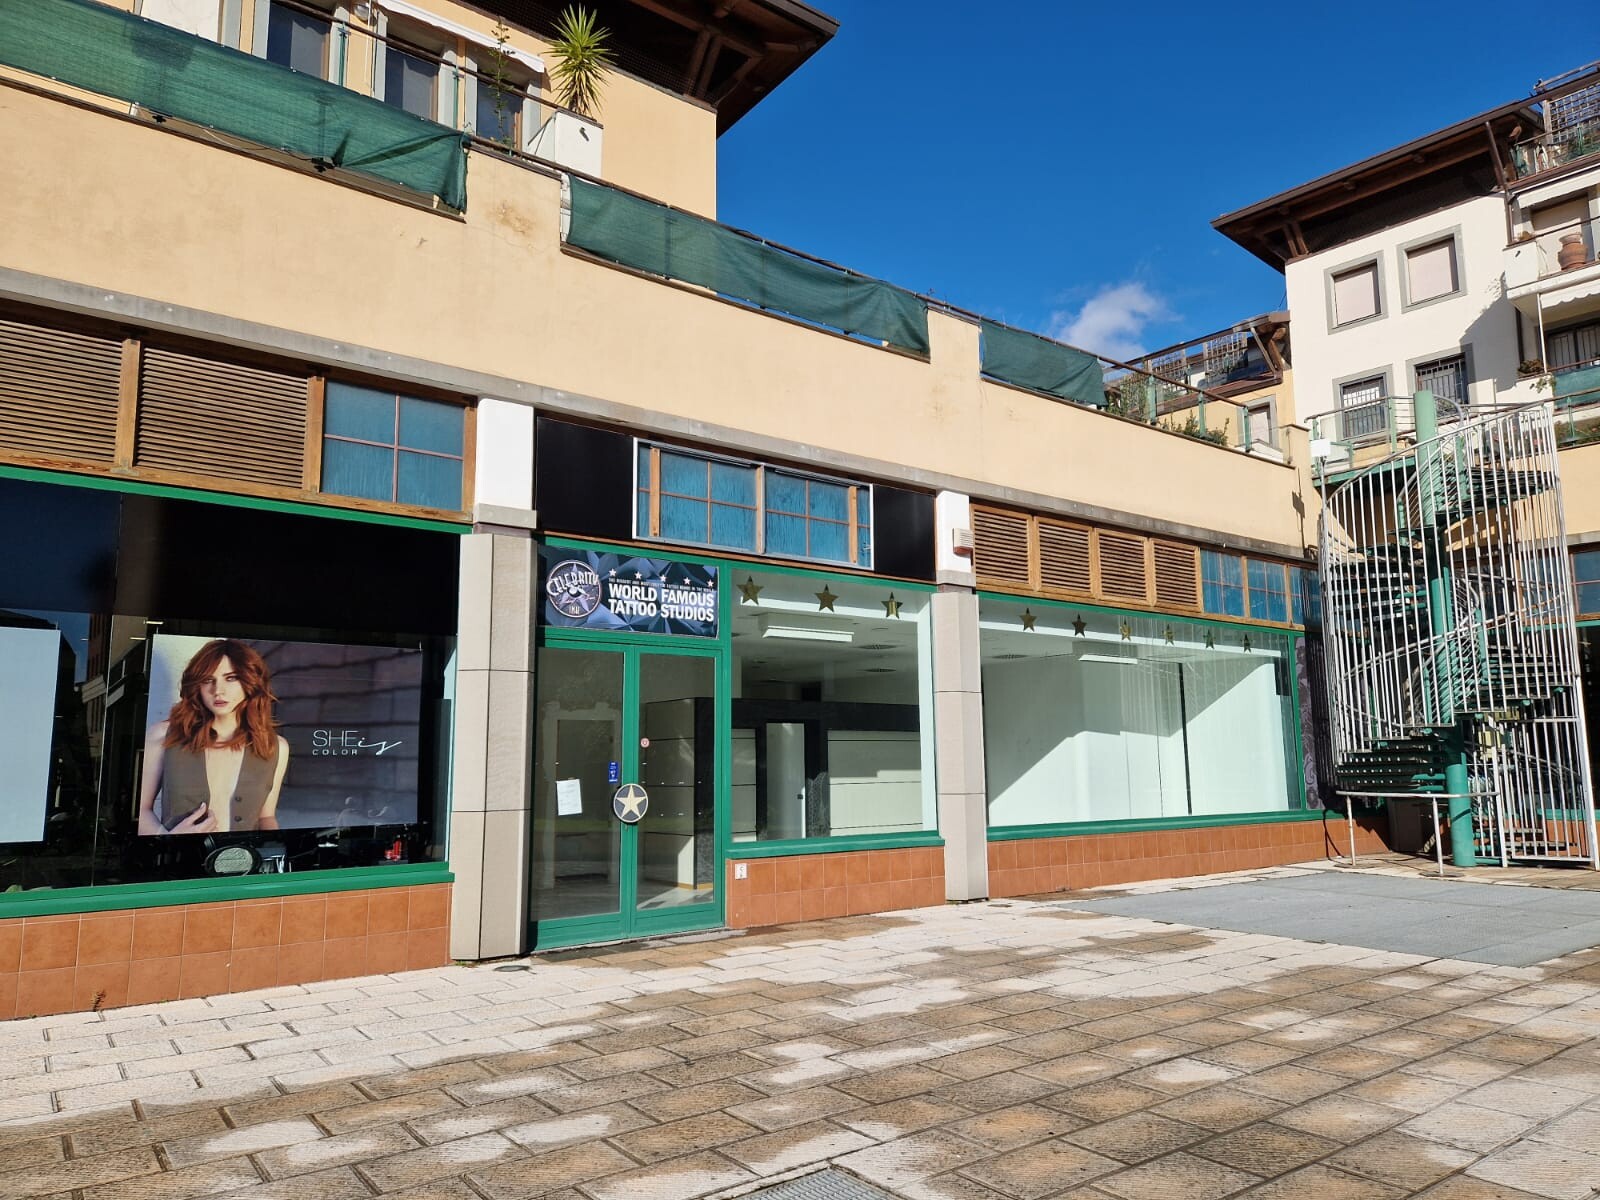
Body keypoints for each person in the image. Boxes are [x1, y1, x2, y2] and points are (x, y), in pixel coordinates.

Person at [138, 639, 290, 835]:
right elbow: (141, 810)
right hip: (179, 853)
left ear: (249, 681)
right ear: (197, 685)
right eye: (208, 680)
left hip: (245, 853)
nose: (218, 691)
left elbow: (266, 817)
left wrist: (277, 847)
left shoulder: (275, 747)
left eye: (231, 678)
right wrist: (167, 838)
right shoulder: (163, 736)